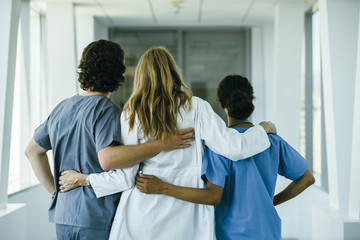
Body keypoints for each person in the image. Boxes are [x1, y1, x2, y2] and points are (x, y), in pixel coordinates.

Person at [59, 47, 277, 240]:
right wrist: (263, 129)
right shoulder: (197, 107)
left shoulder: (131, 112)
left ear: (140, 77)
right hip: (187, 210)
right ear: (174, 72)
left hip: (143, 208)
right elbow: (235, 148)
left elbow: (125, 178)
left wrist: (85, 180)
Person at [24, 40, 194, 240]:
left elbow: (32, 151)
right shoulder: (108, 112)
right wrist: (161, 144)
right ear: (118, 73)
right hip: (96, 217)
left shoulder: (62, 108)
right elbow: (112, 160)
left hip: (64, 216)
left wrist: (55, 194)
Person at [136, 74, 316, 240]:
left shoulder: (218, 147)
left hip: (231, 234)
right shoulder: (272, 141)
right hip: (268, 231)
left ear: (222, 105)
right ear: (251, 100)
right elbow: (307, 178)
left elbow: (212, 197)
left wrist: (162, 187)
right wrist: (270, 203)